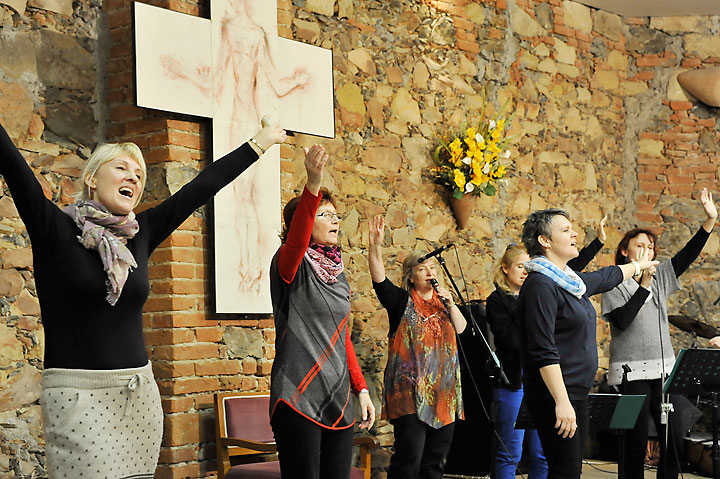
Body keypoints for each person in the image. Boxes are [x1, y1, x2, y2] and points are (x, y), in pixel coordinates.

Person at [0, 116, 286, 477]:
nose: (133, 178)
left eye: (139, 175)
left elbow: (201, 187)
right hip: (76, 399)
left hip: (138, 397)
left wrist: (260, 142)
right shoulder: (53, 228)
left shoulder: (140, 234)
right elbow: (12, 162)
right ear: (92, 178)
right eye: (121, 168)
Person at [518, 208, 658, 479]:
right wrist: (561, 401)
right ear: (545, 240)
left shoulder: (571, 282)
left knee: (570, 471)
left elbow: (607, 277)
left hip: (576, 392)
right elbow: (543, 350)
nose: (574, 234)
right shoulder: (540, 285)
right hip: (556, 394)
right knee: (565, 473)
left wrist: (640, 266)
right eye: (565, 230)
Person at [269, 144, 375, 479]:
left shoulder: (338, 273)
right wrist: (313, 182)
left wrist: (361, 389)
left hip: (337, 397)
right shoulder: (289, 262)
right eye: (324, 215)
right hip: (297, 396)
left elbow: (341, 337)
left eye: (335, 215)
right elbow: (297, 240)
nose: (335, 220)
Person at [601, 188, 717, 479]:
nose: (647, 250)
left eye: (651, 247)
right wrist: (642, 285)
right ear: (625, 252)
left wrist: (709, 221)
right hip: (629, 375)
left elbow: (686, 255)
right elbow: (622, 321)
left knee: (674, 438)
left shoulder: (661, 276)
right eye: (640, 245)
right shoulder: (614, 281)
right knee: (634, 440)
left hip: (664, 372)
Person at [487, 217, 606, 479]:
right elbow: (517, 341)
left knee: (544, 455)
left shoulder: (548, 286)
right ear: (505, 269)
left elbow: (574, 269)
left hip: (551, 381)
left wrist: (599, 244)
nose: (525, 272)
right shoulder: (505, 298)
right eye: (520, 266)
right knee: (511, 451)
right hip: (517, 381)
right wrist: (529, 313)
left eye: (527, 266)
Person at [367, 214, 466, 479]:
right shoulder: (401, 301)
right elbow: (379, 280)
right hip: (410, 395)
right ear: (411, 277)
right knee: (409, 459)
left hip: (443, 394)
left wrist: (451, 303)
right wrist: (375, 246)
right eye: (422, 268)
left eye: (432, 267)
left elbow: (462, 329)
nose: (430, 272)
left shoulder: (444, 303)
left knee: (435, 463)